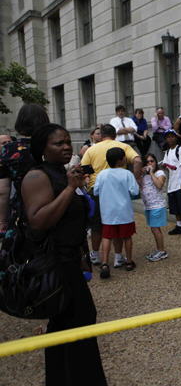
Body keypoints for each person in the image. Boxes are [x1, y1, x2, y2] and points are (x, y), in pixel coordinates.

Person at [22, 123, 106, 385]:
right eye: (58, 143)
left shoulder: (62, 173)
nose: (67, 146)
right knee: (75, 321)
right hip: (54, 264)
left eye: (68, 141)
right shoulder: (37, 177)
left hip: (70, 260)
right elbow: (38, 221)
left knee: (72, 323)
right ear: (42, 149)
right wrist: (70, 189)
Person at [81, 124, 142, 267]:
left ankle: (96, 255)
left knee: (98, 227)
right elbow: (138, 160)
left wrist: (86, 181)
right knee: (120, 227)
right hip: (120, 192)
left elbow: (84, 169)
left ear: (101, 135)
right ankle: (119, 257)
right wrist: (136, 178)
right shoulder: (123, 147)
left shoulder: (92, 149)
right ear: (115, 135)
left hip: (97, 190)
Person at [0, 103, 49, 236]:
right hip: (53, 204)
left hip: (22, 207)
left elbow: (3, 191)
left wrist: (2, 221)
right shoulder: (52, 145)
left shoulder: (9, 149)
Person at [93, 147, 139, 279]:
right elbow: (135, 191)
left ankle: (105, 263)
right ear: (120, 160)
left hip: (108, 212)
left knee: (107, 237)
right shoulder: (127, 174)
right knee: (127, 237)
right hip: (124, 211)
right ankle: (129, 261)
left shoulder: (102, 174)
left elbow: (96, 191)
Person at [140, 153, 168, 262]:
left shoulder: (159, 173)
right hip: (149, 206)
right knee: (153, 229)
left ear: (156, 162)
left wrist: (151, 172)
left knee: (156, 229)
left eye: (152, 161)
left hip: (157, 205)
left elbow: (159, 185)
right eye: (147, 162)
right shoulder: (144, 175)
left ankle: (162, 251)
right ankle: (159, 249)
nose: (149, 163)